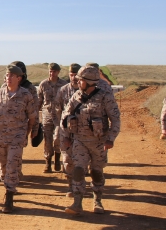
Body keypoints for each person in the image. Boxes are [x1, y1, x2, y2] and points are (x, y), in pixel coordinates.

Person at [60, 66, 120, 215]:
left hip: (99, 143)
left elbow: (116, 120)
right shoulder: (76, 97)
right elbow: (65, 117)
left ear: (89, 82)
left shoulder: (105, 97)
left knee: (96, 172)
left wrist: (110, 139)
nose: (77, 82)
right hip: (80, 141)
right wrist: (66, 135)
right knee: (79, 170)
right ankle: (77, 203)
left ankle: (97, 200)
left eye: (80, 80)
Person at [0, 65, 38, 213]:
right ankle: (7, 184)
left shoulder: (26, 95)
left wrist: (29, 132)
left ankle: (9, 197)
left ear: (19, 78)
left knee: (12, 164)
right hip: (0, 136)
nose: (8, 78)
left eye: (12, 76)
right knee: (3, 165)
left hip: (17, 137)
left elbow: (32, 117)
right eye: (7, 75)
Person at [54, 63, 81, 197]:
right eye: (71, 75)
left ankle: (79, 184)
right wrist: (61, 128)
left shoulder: (87, 92)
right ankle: (71, 185)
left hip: (83, 132)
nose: (74, 77)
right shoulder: (63, 91)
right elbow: (58, 110)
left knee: (81, 160)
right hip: (66, 131)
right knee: (68, 159)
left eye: (76, 75)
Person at [38, 63, 67, 173]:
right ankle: (48, 163)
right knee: (47, 140)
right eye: (50, 71)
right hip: (47, 115)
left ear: (58, 72)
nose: (52, 73)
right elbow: (39, 101)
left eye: (54, 71)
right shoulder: (43, 84)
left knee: (58, 138)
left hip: (60, 116)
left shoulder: (63, 85)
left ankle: (57, 160)